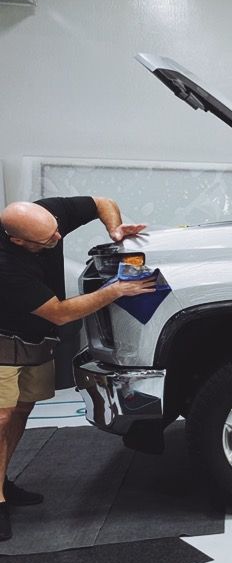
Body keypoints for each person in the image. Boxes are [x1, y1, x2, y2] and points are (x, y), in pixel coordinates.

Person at [0, 196, 155, 542]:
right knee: (1, 417)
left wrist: (114, 228)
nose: (57, 241)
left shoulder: (47, 218)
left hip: (34, 337)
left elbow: (102, 202)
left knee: (23, 409)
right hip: (2, 339)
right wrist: (115, 290)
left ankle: (3, 482)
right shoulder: (6, 264)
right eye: (47, 241)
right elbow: (61, 313)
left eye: (57, 232)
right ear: (18, 241)